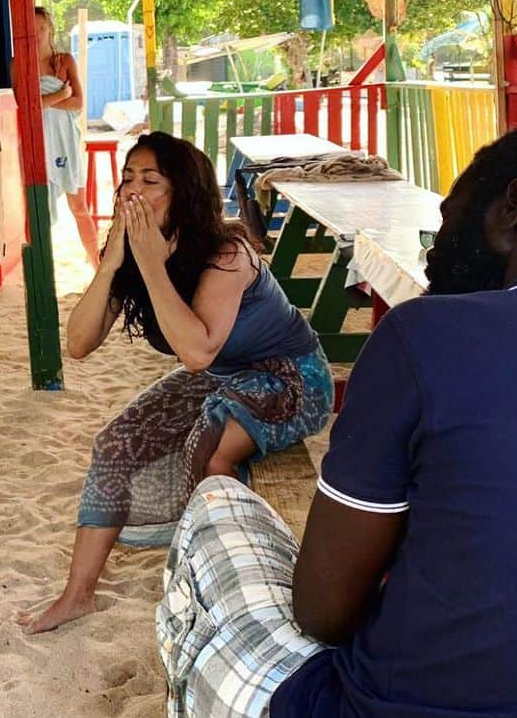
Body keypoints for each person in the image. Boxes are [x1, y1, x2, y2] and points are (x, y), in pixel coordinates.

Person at [157, 128, 517, 718]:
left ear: (513, 207)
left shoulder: (427, 335)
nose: (434, 251)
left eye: (446, 224)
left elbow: (323, 612)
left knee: (211, 514)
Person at [19, 132, 333, 634]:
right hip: (221, 376)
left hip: (292, 376)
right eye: (126, 179)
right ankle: (76, 596)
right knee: (116, 442)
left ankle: (233, 588)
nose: (131, 192)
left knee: (210, 445)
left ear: (182, 190)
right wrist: (115, 263)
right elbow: (78, 344)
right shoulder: (135, 248)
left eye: (149, 180)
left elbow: (195, 350)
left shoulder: (226, 254)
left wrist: (149, 262)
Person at [34, 6, 100, 268]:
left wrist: (46, 102)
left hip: (65, 137)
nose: (37, 33)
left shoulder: (64, 60)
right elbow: (25, 104)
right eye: (31, 28)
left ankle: (97, 264)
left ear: (50, 28)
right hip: (37, 139)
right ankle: (43, 269)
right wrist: (60, 96)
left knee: (78, 206)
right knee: (39, 212)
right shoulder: (20, 63)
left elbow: (79, 102)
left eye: (41, 27)